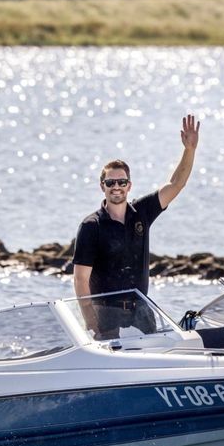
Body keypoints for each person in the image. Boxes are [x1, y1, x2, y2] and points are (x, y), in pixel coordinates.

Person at [72, 115, 200, 338]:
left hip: (140, 310)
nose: (116, 187)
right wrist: (91, 323)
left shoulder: (142, 212)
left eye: (121, 182)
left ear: (129, 186)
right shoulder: (91, 226)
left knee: (158, 360)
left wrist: (189, 149)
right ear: (102, 186)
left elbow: (176, 184)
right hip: (105, 314)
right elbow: (80, 279)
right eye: (110, 183)